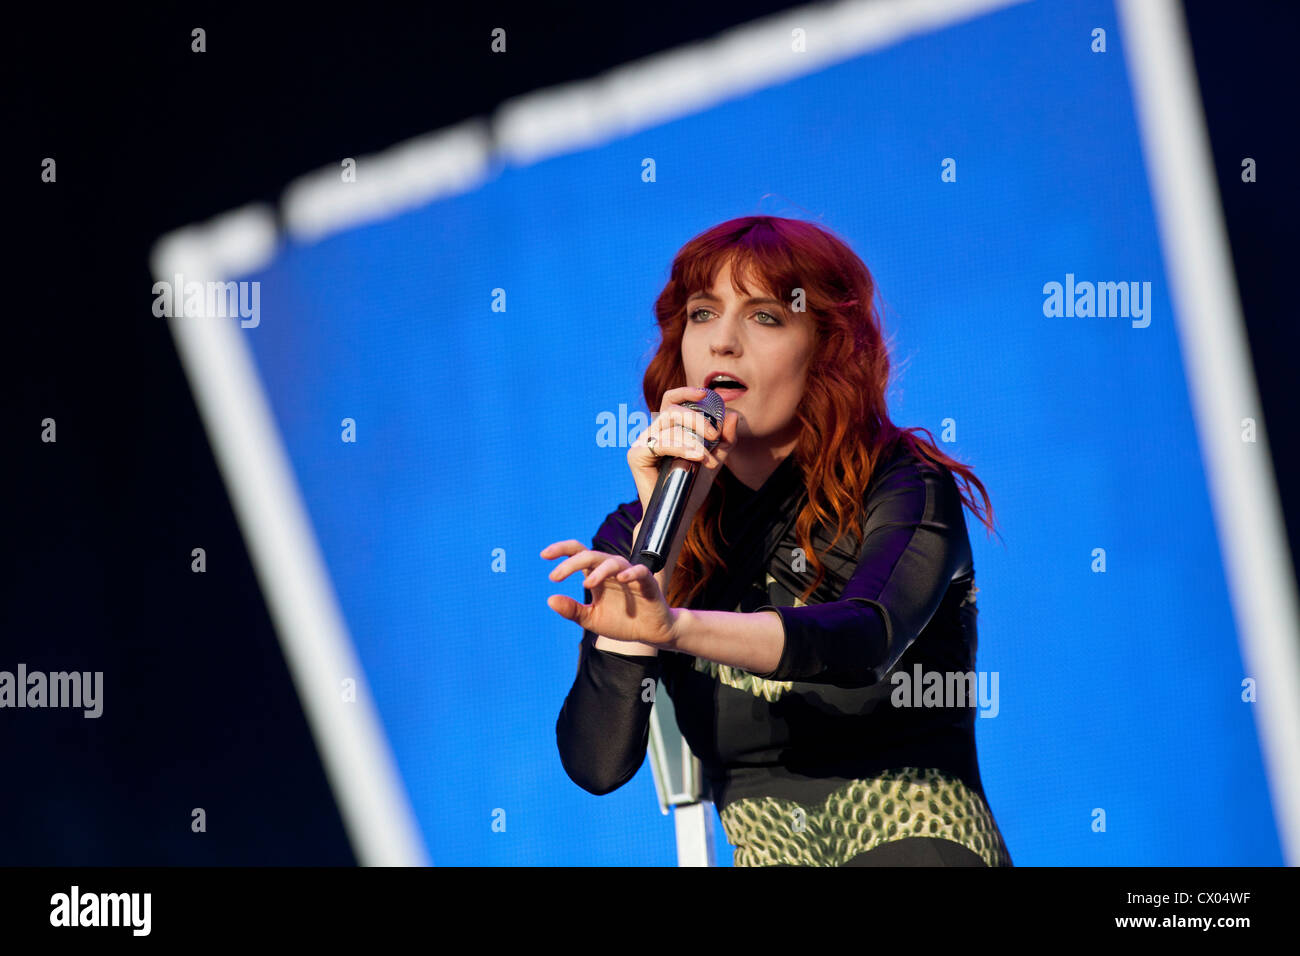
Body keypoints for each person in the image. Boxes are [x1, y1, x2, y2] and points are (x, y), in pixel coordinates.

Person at [544, 215, 1012, 867]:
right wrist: (660, 542)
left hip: (912, 840)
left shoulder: (901, 485)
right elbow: (597, 764)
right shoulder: (638, 532)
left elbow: (864, 639)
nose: (723, 344)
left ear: (825, 347)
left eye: (765, 317)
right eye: (702, 315)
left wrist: (675, 627)